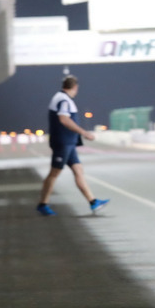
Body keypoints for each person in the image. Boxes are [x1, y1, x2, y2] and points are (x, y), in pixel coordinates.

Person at [35, 75, 109, 216]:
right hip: (63, 143)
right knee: (54, 173)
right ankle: (43, 204)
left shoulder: (60, 97)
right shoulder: (64, 100)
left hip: (68, 143)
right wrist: (84, 133)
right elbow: (63, 119)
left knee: (78, 170)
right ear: (75, 87)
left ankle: (93, 202)